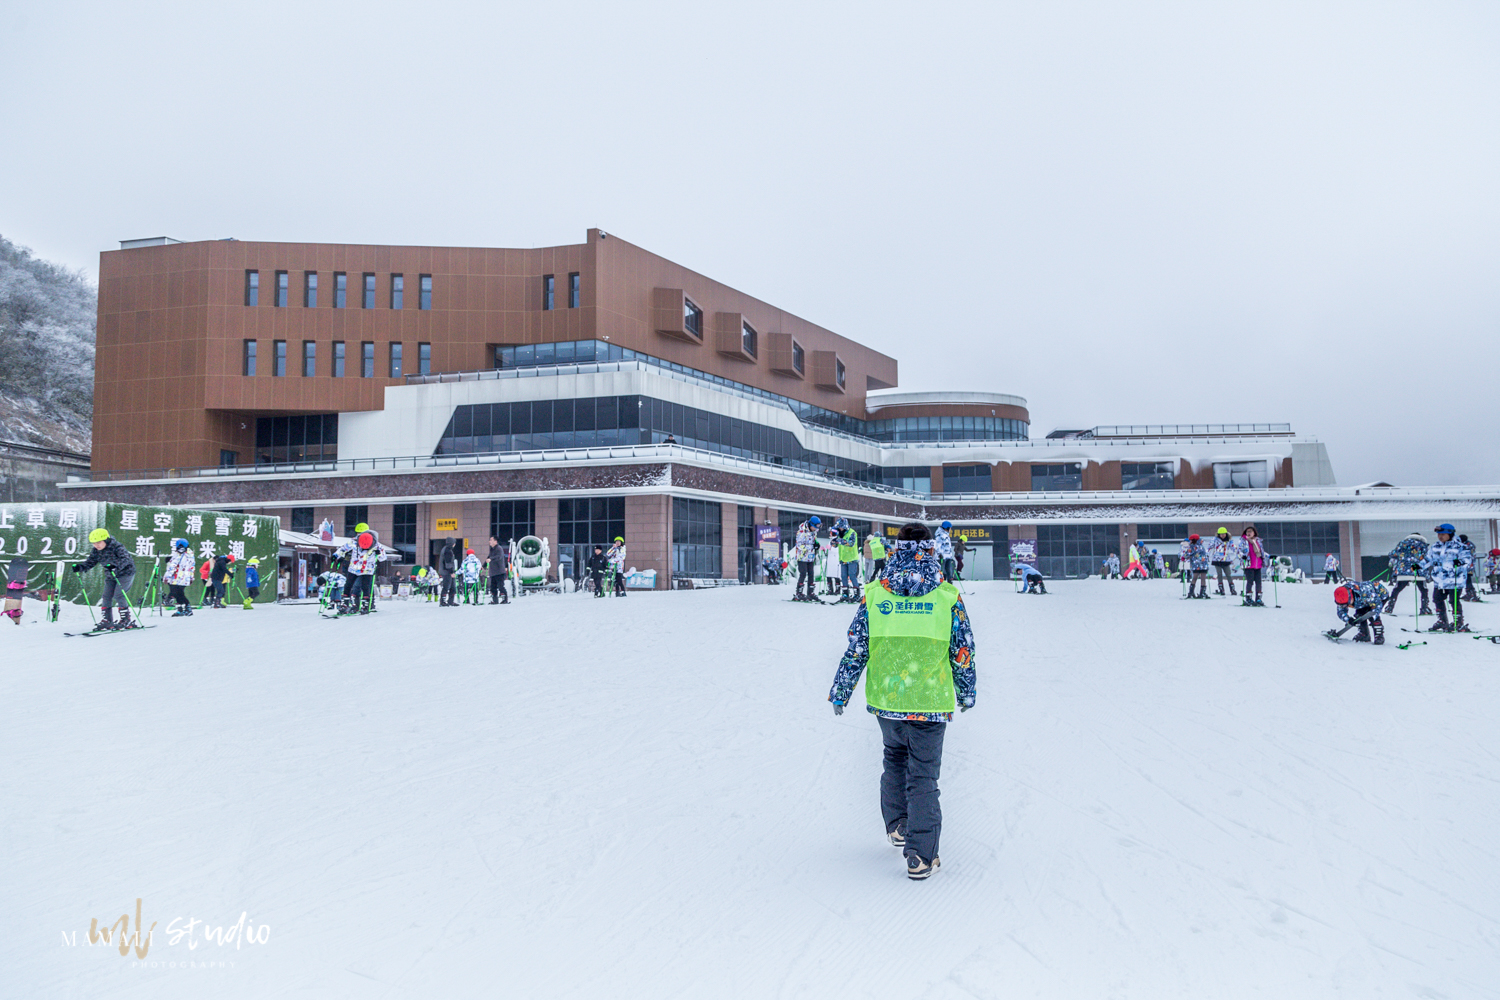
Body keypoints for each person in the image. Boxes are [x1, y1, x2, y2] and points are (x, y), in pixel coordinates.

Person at [827, 521, 976, 880]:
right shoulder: (947, 596)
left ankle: (897, 825)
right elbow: (962, 650)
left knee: (894, 758)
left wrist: (842, 689)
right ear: (931, 550)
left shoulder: (876, 593)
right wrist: (966, 690)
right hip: (929, 699)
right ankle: (921, 856)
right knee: (923, 774)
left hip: (888, 698)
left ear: (895, 550)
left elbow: (857, 646)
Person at [72, 527, 137, 630]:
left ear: (106, 540)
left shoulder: (117, 547)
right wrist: (81, 567)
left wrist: (115, 565)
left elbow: (126, 559)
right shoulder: (96, 551)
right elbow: (91, 561)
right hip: (110, 574)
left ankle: (126, 619)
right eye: (94, 543)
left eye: (98, 542)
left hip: (125, 573)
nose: (96, 545)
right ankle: (107, 621)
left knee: (119, 595)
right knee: (106, 596)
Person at [1420, 524, 1474, 632]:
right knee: (1437, 599)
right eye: (1439, 534)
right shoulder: (1435, 546)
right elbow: (1428, 559)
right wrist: (1418, 566)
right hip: (1439, 580)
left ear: (1450, 534)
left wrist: (1459, 563)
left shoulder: (1460, 546)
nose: (1440, 537)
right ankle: (1442, 621)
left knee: (1453, 600)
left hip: (1455, 579)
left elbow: (1468, 560)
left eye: (1443, 534)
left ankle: (1458, 622)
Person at [334, 530, 387, 614]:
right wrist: (336, 555)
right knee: (348, 585)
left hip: (367, 569)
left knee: (365, 587)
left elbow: (383, 558)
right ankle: (345, 604)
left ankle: (366, 605)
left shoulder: (377, 546)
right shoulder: (354, 541)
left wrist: (379, 554)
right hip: (353, 568)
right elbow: (343, 548)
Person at [1383, 532, 1432, 616]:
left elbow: (1392, 554)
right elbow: (1427, 557)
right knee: (1423, 590)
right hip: (1418, 570)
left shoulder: (1402, 544)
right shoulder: (1423, 545)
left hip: (1403, 570)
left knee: (1397, 589)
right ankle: (1424, 608)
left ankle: (1389, 607)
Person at [1334, 579, 1390, 644]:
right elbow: (1341, 611)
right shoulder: (1341, 595)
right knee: (1359, 615)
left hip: (1379, 595)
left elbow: (1377, 604)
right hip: (1362, 601)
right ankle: (1364, 634)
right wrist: (1348, 619)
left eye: (1348, 603)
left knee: (1371, 615)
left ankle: (1379, 635)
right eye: (1344, 605)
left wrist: (1373, 615)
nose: (1347, 606)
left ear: (1351, 596)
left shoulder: (1365, 592)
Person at [163, 538, 195, 617]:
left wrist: (167, 576)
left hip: (177, 578)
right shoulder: (190, 554)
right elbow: (192, 567)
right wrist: (191, 577)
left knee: (177, 593)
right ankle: (182, 609)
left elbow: (172, 566)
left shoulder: (178, 554)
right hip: (185, 578)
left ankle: (186, 608)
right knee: (179, 593)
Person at [793, 516, 820, 602]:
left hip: (810, 557)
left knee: (811, 574)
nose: (816, 529)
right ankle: (799, 592)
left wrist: (816, 545)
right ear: (811, 524)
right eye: (816, 526)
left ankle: (810, 592)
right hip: (802, 556)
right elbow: (799, 545)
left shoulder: (814, 532)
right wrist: (811, 547)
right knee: (803, 573)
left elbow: (813, 541)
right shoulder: (801, 532)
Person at [1240, 526, 1268, 606]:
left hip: (1257, 565)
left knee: (1258, 582)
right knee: (1250, 581)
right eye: (1247, 532)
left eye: (1250, 531)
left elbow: (1261, 551)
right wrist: (1243, 556)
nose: (1249, 533)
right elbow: (1239, 551)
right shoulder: (1244, 541)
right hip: (1249, 564)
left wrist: (1268, 556)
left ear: (1254, 533)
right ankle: (1248, 597)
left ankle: (1258, 598)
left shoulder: (1257, 541)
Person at [836, 518, 861, 603]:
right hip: (843, 558)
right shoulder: (840, 534)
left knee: (852, 575)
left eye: (841, 527)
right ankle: (845, 593)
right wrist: (834, 542)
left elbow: (851, 543)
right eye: (839, 527)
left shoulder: (852, 533)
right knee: (843, 576)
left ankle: (856, 594)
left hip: (852, 558)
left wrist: (840, 541)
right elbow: (838, 545)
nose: (840, 529)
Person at [1209, 527, 1236, 596]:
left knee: (1228, 574)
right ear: (1218, 534)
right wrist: (1207, 554)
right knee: (1219, 574)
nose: (1222, 536)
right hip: (1217, 560)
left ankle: (1232, 588)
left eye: (1223, 534)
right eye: (1221, 534)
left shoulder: (1229, 540)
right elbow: (1210, 547)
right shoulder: (1215, 540)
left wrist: (1238, 552)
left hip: (1225, 560)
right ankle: (1221, 588)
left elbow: (1234, 548)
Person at [486, 536, 510, 604]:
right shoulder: (492, 549)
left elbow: (498, 557)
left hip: (499, 572)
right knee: (493, 587)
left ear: (495, 541)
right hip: (493, 572)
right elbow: (488, 557)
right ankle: (495, 600)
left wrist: (491, 559)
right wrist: (483, 566)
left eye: (491, 540)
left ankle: (505, 599)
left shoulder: (499, 549)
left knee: (500, 586)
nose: (489, 541)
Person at [1186, 534, 1210, 598]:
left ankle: (1191, 592)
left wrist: (1185, 557)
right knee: (1203, 579)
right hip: (1204, 564)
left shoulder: (1192, 547)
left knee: (1194, 578)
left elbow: (1187, 554)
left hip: (1196, 565)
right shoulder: (1201, 546)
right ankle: (1202, 592)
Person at [1459, 534, 1480, 601]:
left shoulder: (1465, 545)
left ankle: (1471, 594)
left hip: (1466, 565)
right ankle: (1470, 593)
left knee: (1467, 580)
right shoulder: (1470, 544)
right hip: (1471, 565)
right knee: (1467, 579)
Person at [438, 540, 458, 607]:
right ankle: (442, 601)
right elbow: (448, 563)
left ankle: (450, 601)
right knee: (446, 586)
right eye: (454, 543)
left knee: (453, 587)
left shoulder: (446, 549)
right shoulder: (447, 551)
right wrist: (451, 572)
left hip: (447, 571)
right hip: (447, 572)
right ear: (452, 544)